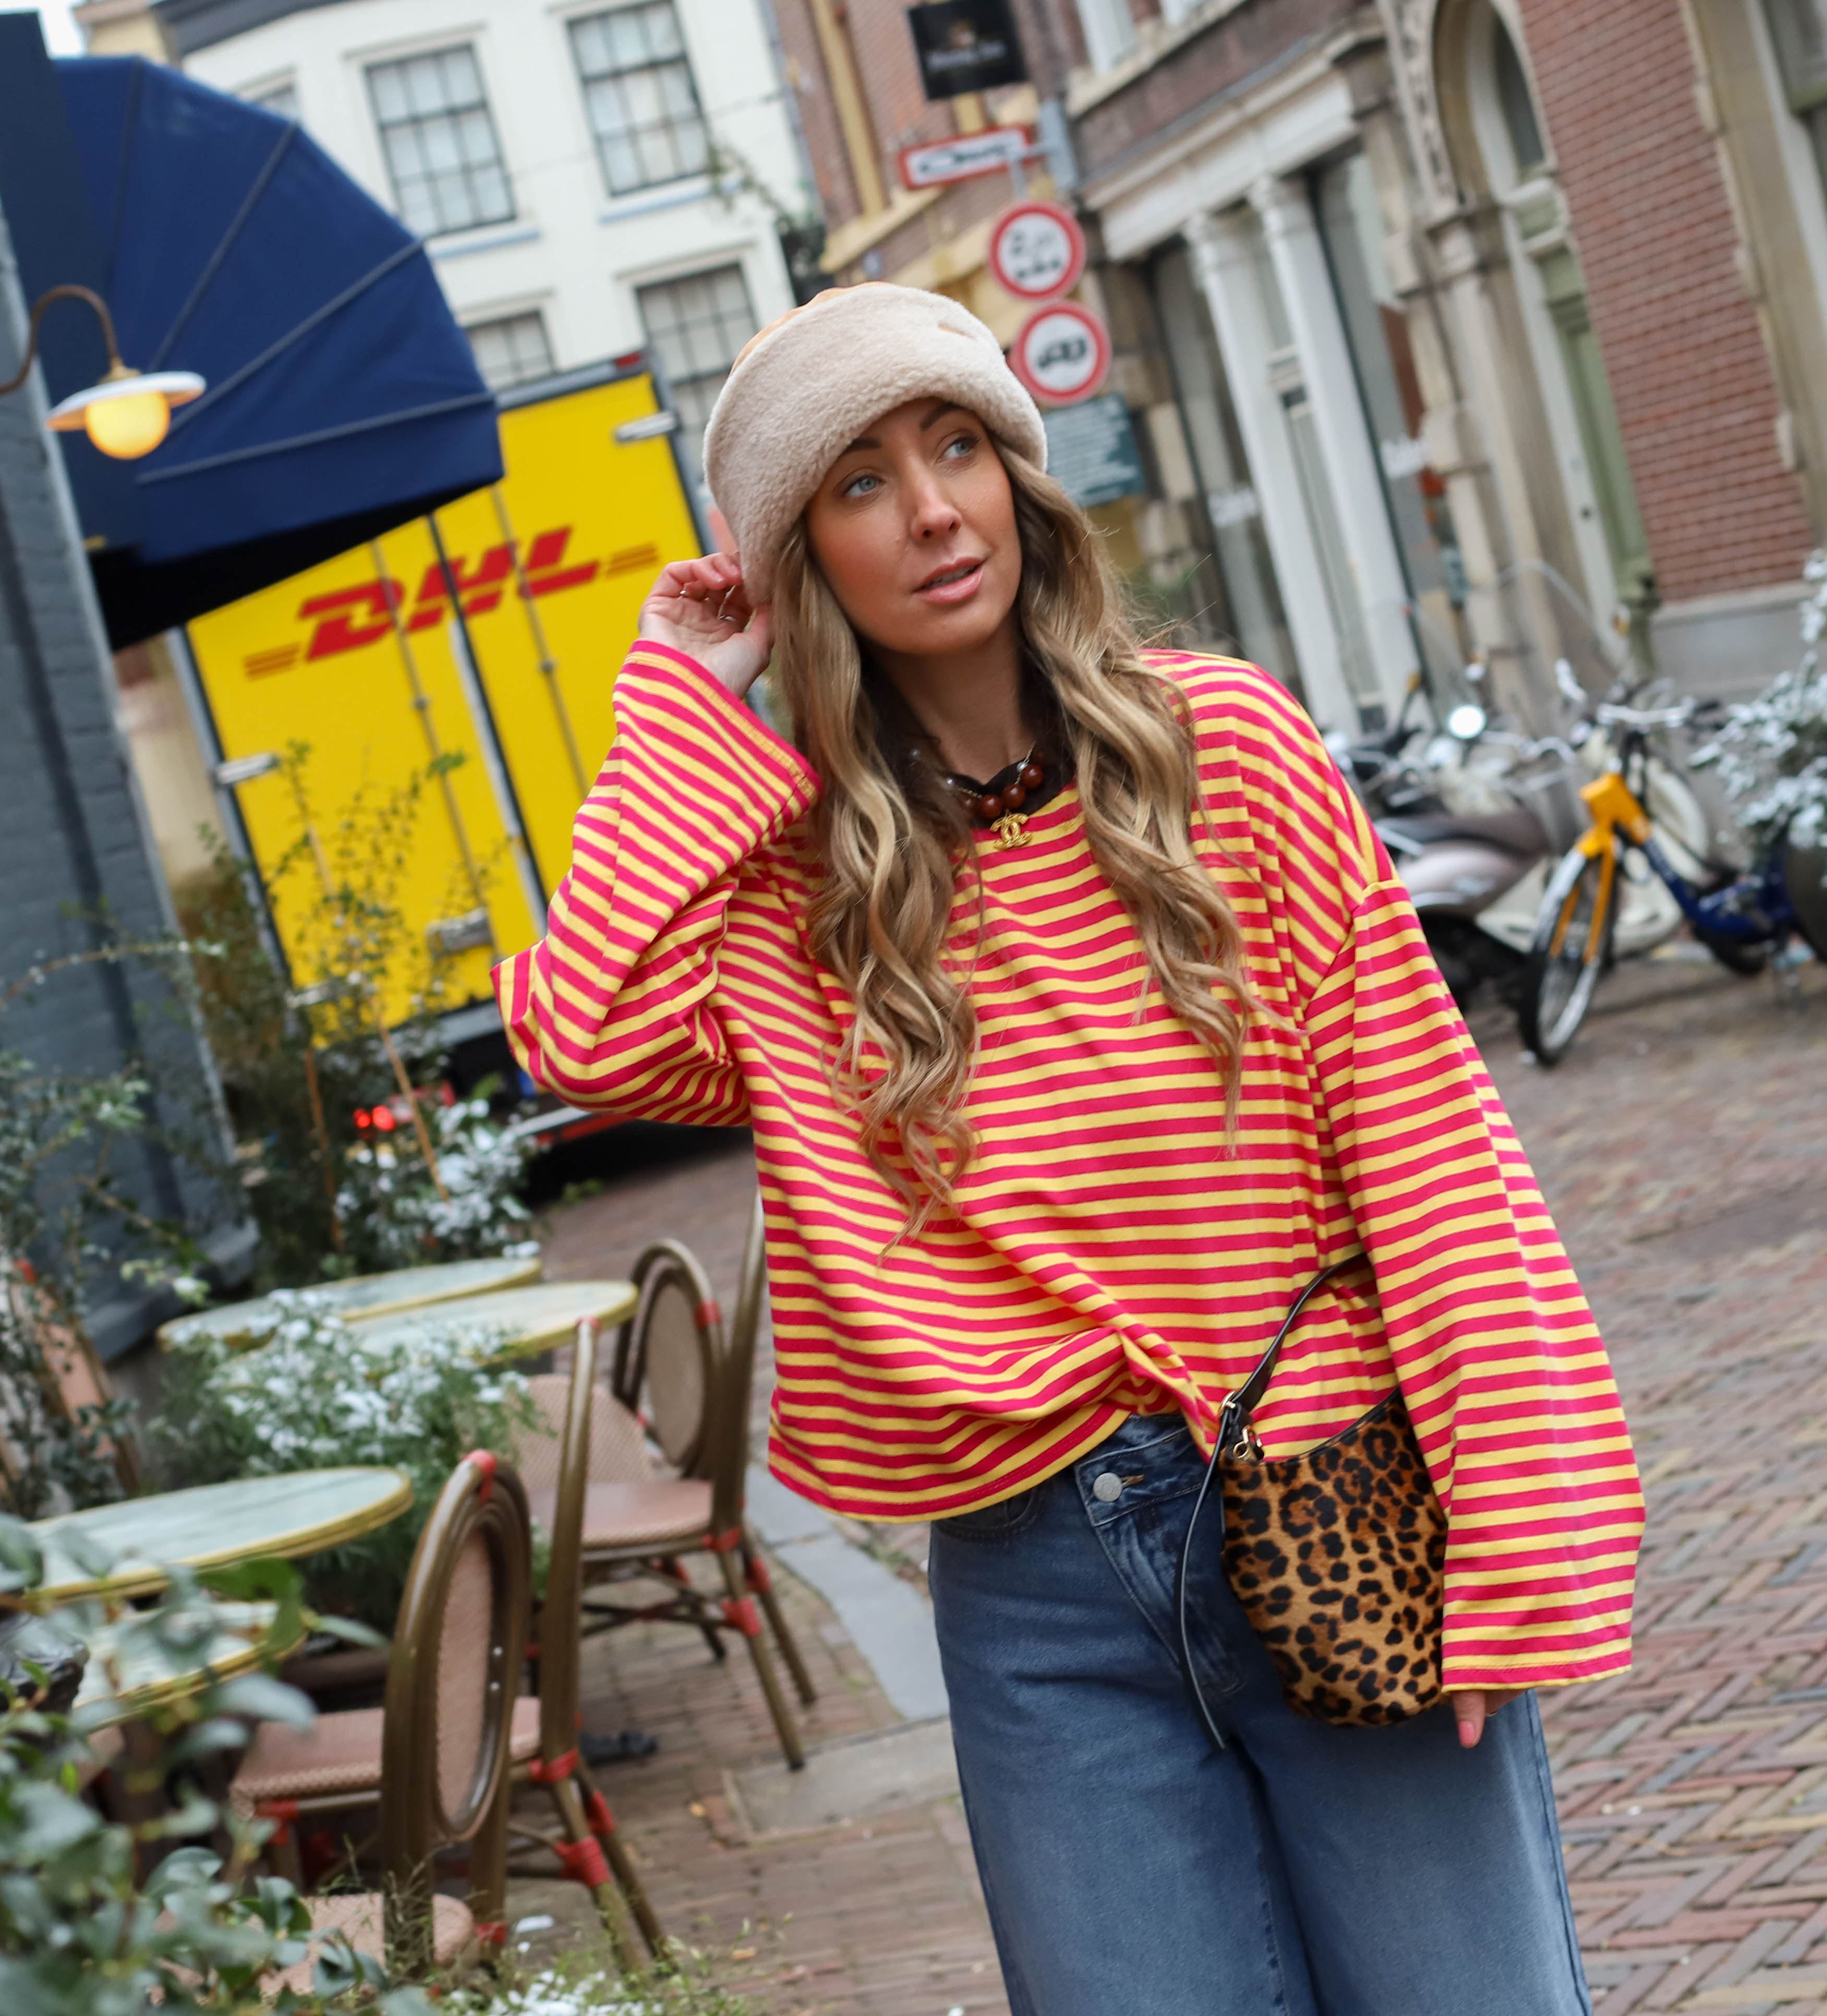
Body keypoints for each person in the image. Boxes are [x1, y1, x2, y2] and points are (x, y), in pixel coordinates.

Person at [496, 282, 1643, 2015]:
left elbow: (1429, 1148)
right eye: (859, 482)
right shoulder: (789, 892)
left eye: (956, 447)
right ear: (800, 563)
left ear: (1018, 478)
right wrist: (678, 702)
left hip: (1332, 1490)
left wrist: (1513, 1538)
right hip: (1037, 1589)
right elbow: (580, 1036)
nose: (931, 509)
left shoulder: (1223, 746)